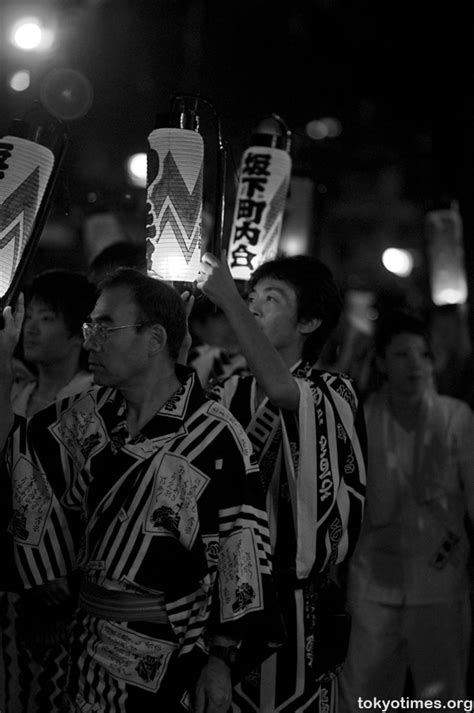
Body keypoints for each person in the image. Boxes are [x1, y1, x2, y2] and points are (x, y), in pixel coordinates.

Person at [0, 268, 281, 713]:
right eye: (90, 327)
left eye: (105, 327)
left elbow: (239, 552)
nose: (90, 341)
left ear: (154, 339)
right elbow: (16, 458)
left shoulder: (215, 436)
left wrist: (222, 660)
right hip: (85, 643)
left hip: (168, 654)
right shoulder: (87, 415)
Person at [196, 251, 367, 713]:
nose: (253, 306)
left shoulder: (335, 391)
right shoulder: (228, 390)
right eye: (251, 297)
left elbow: (286, 393)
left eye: (271, 299)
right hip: (220, 599)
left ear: (309, 322)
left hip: (294, 609)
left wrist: (230, 301)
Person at [338, 310, 474, 710]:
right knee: (365, 696)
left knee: (443, 695)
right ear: (381, 362)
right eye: (401, 354)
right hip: (372, 584)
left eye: (422, 354)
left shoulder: (455, 418)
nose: (414, 363)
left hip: (439, 581)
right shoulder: (362, 418)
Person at [1, 269, 97, 713]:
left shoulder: (94, 401)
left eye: (46, 317)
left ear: (80, 332)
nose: (32, 328)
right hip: (11, 585)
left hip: (70, 593)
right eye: (29, 316)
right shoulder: (15, 392)